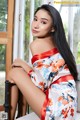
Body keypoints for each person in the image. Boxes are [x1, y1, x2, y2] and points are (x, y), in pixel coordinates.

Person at [7, 4, 78, 120]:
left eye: (43, 22)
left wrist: (23, 64)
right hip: (69, 110)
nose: (35, 25)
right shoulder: (59, 45)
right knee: (21, 71)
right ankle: (21, 115)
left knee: (15, 72)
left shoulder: (37, 44)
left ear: (53, 28)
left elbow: (41, 84)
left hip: (57, 110)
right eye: (35, 19)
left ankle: (9, 117)